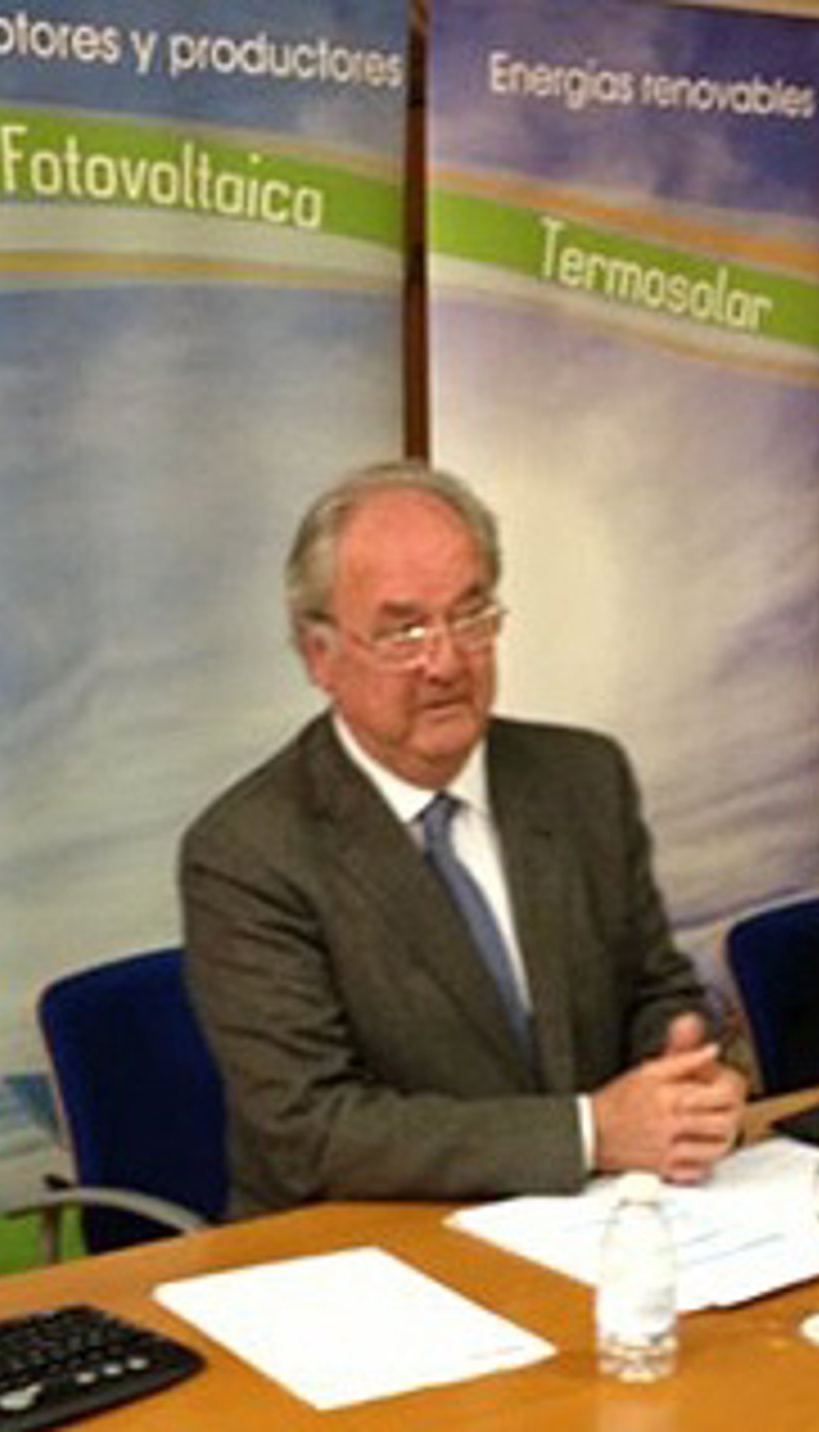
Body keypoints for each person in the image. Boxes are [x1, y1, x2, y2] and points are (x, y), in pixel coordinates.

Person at [180, 461, 743, 1217]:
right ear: (320, 656)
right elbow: (309, 1131)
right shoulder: (249, 850)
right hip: (365, 1245)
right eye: (403, 631)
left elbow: (653, 986)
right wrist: (590, 1134)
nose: (446, 663)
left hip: (603, 1220)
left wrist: (685, 1074)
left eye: (470, 618)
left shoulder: (582, 778)